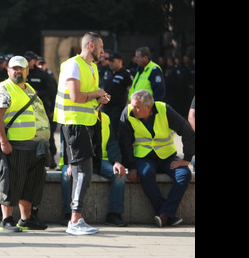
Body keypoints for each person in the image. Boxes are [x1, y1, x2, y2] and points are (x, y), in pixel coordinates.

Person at [54, 32, 110, 236]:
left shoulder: (92, 67)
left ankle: (76, 218)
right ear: (92, 46)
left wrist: (100, 99)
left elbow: (87, 99)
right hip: (75, 125)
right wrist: (97, 94)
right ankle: (75, 220)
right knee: (83, 172)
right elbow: (76, 96)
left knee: (82, 172)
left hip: (87, 124)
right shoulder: (73, 64)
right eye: (102, 46)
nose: (104, 51)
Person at [0, 56, 50, 233]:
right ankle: (6, 220)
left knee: (30, 184)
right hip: (14, 145)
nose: (18, 71)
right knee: (11, 182)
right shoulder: (4, 89)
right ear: (8, 70)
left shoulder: (29, 89)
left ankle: (26, 219)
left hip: (35, 147)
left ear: (27, 70)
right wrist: (3, 141)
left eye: (22, 68)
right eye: (14, 68)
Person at [119, 89, 195, 227]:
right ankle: (166, 214)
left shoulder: (165, 110)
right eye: (132, 104)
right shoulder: (127, 113)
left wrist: (187, 158)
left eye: (137, 106)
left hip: (167, 156)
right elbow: (125, 142)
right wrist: (131, 166)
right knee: (145, 173)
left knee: (184, 174)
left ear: (149, 107)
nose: (133, 108)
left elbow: (187, 131)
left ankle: (164, 214)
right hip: (144, 156)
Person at [60, 109, 127, 227]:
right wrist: (70, 164)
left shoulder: (105, 117)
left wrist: (117, 162)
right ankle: (68, 213)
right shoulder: (73, 116)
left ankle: (114, 214)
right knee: (66, 175)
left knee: (119, 175)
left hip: (100, 159)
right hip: (75, 160)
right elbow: (65, 144)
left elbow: (112, 142)